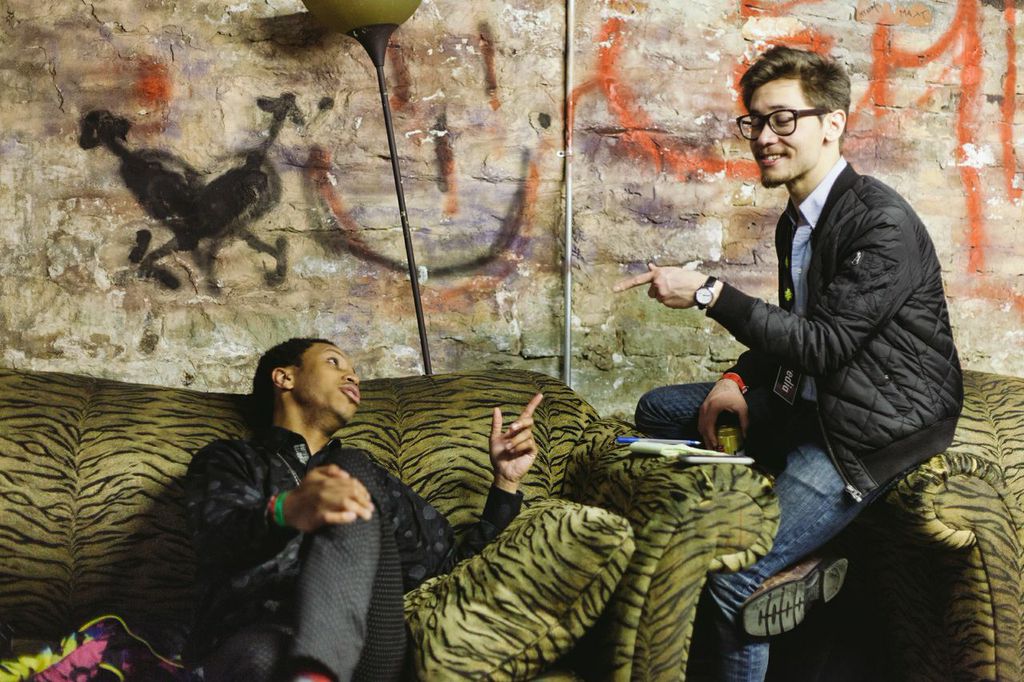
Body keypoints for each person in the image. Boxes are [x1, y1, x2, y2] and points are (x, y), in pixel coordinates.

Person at [613, 46, 963, 680]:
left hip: (868, 431)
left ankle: (789, 559)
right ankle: (795, 550)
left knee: (731, 577)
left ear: (832, 124)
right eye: (754, 121)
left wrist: (710, 293)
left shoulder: (880, 223)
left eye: (782, 119)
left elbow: (824, 344)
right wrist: (736, 379)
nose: (763, 138)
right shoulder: (799, 221)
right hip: (812, 398)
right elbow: (796, 334)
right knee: (657, 411)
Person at [182, 338, 543, 682]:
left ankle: (315, 668)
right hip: (252, 631)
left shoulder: (369, 478)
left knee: (351, 466)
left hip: (369, 653)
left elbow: (450, 571)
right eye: (334, 362)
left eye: (354, 371)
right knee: (264, 656)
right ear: (284, 377)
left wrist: (505, 482)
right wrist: (285, 510)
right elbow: (217, 539)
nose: (353, 376)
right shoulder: (230, 459)